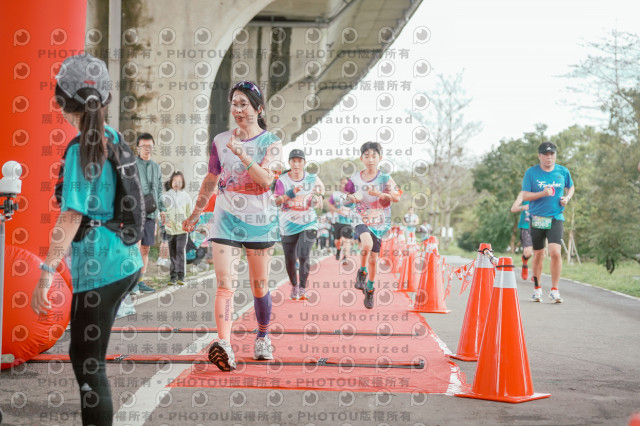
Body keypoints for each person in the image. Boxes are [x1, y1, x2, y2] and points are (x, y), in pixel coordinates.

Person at [32, 54, 143, 426]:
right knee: (87, 359)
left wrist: (46, 273)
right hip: (124, 259)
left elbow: (71, 216)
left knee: (88, 364)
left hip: (100, 267)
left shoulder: (81, 148)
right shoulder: (112, 137)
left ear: (62, 102)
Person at [183, 81, 282, 370]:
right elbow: (211, 179)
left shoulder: (271, 142)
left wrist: (242, 153)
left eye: (244, 104)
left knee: (259, 285)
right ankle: (224, 344)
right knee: (225, 283)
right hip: (225, 218)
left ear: (259, 109)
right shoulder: (220, 140)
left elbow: (266, 181)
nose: (238, 110)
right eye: (234, 104)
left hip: (260, 221)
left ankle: (263, 336)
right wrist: (196, 212)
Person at [344, 142, 401, 309]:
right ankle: (362, 271)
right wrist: (352, 198)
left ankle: (369, 288)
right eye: (367, 156)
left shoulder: (385, 178)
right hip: (360, 218)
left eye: (374, 156)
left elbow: (397, 197)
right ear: (361, 158)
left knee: (374, 259)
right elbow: (345, 200)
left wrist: (378, 193)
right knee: (366, 243)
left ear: (380, 158)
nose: (370, 159)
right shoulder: (354, 179)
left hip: (379, 222)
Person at [522, 141, 574, 303]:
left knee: (555, 252)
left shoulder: (563, 171)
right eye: (546, 154)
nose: (549, 157)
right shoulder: (531, 173)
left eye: (552, 154)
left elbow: (571, 187)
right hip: (537, 218)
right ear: (539, 156)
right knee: (538, 254)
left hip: (556, 217)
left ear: (555, 155)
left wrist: (567, 198)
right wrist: (542, 193)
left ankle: (554, 290)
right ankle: (537, 289)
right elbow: (525, 195)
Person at [274, 149, 325, 300]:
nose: (296, 164)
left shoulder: (312, 178)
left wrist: (319, 197)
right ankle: (294, 286)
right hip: (287, 224)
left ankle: (302, 288)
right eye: (293, 161)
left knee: (303, 254)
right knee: (290, 259)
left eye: (299, 161)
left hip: (308, 222)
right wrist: (290, 194)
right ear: (289, 163)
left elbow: (321, 189)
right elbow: (276, 201)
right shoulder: (282, 180)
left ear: (304, 163)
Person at [162, 171, 193, 285]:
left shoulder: (186, 196)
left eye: (179, 181)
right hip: (170, 230)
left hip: (182, 230)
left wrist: (189, 224)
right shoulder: (165, 196)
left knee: (180, 251)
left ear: (183, 183)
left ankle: (181, 276)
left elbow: (189, 212)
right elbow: (162, 211)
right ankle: (173, 277)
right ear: (171, 182)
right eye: (175, 181)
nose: (177, 183)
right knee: (172, 253)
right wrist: (165, 221)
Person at [328, 177, 355, 265]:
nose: (344, 185)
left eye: (346, 183)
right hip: (337, 221)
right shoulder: (335, 194)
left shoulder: (352, 195)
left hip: (348, 221)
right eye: (342, 183)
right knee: (337, 241)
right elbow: (330, 204)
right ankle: (338, 250)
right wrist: (336, 210)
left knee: (346, 240)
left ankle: (345, 257)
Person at [510, 191, 533, 280]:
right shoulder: (524, 193)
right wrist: (523, 207)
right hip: (526, 226)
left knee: (539, 252)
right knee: (528, 252)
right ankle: (525, 263)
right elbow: (513, 209)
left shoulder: (544, 191)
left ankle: (536, 274)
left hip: (540, 225)